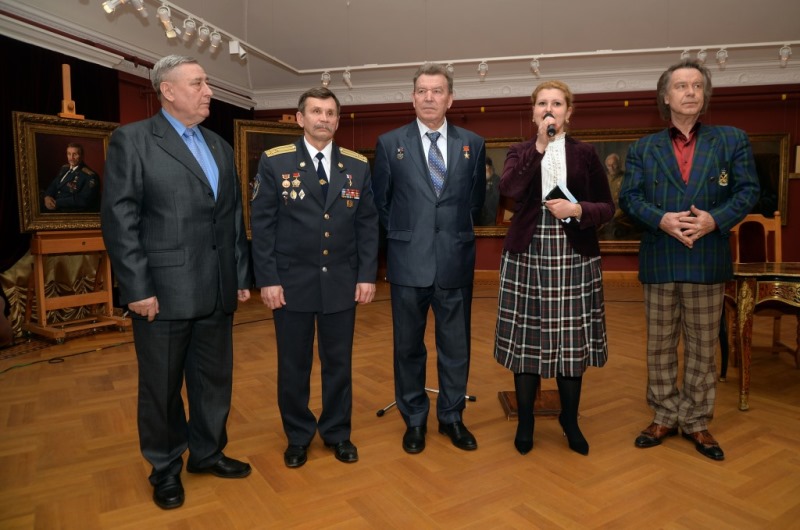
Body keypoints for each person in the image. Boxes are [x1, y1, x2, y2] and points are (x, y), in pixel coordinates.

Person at [101, 55, 252, 510]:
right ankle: (165, 467)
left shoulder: (219, 145)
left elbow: (231, 218)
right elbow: (120, 219)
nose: (209, 92)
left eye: (207, 83)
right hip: (162, 293)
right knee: (161, 387)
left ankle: (207, 453)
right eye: (198, 84)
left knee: (213, 381)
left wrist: (239, 275)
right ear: (167, 90)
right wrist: (136, 288)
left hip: (217, 288)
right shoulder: (133, 141)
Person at [619, 59, 759, 461]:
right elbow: (629, 198)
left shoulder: (731, 140)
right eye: (681, 85)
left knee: (702, 346)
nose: (690, 91)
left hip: (706, 256)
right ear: (666, 97)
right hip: (661, 255)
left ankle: (696, 420)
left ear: (705, 95)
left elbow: (749, 191)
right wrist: (660, 219)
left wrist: (715, 220)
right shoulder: (643, 148)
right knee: (659, 345)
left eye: (697, 85)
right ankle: (664, 415)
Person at [251, 87, 379, 469]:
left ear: (338, 121)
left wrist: (367, 275)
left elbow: (368, 224)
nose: (324, 118)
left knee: (339, 363)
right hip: (291, 283)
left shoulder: (357, 165)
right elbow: (262, 225)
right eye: (316, 112)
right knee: (294, 365)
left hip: (341, 281)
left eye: (330, 113)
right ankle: (298, 436)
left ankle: (337, 432)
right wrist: (267, 279)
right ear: (300, 118)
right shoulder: (275, 162)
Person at [493, 80, 614, 456]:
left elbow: (607, 207)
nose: (549, 109)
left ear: (568, 112)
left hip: (573, 255)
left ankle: (570, 420)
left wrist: (577, 209)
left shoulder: (586, 154)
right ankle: (526, 421)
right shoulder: (519, 151)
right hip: (527, 254)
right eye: (542, 103)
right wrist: (540, 147)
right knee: (527, 338)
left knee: (571, 340)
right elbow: (509, 189)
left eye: (557, 103)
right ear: (533, 113)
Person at [373, 63, 486, 454]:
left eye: (437, 91)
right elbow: (381, 203)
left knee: (455, 347)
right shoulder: (390, 143)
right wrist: (408, 235)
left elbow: (475, 203)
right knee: (408, 347)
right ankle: (415, 420)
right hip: (408, 263)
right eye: (422, 90)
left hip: (455, 261)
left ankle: (452, 417)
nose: (429, 97)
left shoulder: (473, 143)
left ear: (450, 99)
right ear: (412, 97)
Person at [42, 143, 99, 212]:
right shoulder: (64, 168)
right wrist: (47, 197)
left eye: (75, 154)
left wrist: (57, 203)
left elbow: (83, 200)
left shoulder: (90, 176)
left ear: (81, 156)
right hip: (53, 206)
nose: (71, 158)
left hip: (69, 211)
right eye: (69, 154)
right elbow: (54, 185)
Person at [478, 157, 500, 225]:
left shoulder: (497, 180)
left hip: (492, 221)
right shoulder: (478, 181)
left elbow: (496, 200)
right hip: (479, 220)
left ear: (489, 167)